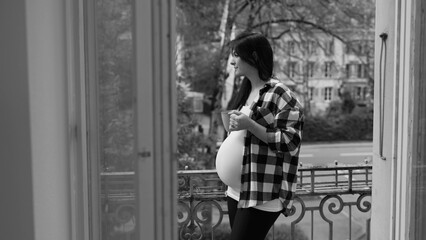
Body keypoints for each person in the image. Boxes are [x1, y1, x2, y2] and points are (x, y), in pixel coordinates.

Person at [215, 32, 304, 240]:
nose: (231, 61)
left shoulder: (280, 93)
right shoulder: (246, 89)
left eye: (236, 55)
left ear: (253, 56)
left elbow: (291, 142)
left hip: (261, 193)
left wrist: (249, 125)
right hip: (236, 190)